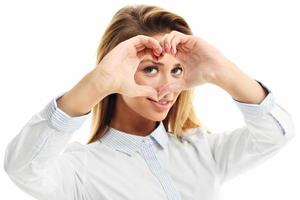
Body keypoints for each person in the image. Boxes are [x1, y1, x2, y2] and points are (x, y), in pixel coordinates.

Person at [4, 4, 295, 200]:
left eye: (176, 70)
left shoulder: (202, 150)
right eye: (150, 69)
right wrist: (98, 82)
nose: (167, 87)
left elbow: (276, 134)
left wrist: (224, 71)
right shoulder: (80, 170)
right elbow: (22, 168)